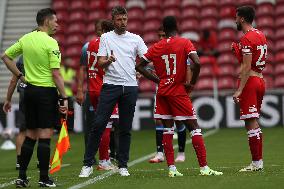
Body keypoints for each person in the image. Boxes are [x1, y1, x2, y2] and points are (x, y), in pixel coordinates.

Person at [136, 16, 223, 177]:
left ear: (164, 28)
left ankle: (172, 169)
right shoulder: (184, 42)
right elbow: (197, 63)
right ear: (177, 26)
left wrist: (158, 80)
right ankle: (204, 168)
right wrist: (193, 83)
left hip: (163, 92)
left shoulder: (156, 46)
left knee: (168, 129)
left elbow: (139, 66)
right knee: (194, 127)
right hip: (178, 91)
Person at [1, 8, 68, 187]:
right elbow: (56, 74)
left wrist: (21, 76)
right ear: (46, 21)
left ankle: (22, 177)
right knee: (45, 135)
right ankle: (44, 179)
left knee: (30, 134)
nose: (57, 24)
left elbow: (5, 57)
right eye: (55, 21)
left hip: (28, 91)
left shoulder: (26, 38)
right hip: (45, 92)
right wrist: (64, 97)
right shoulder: (51, 43)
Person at [78, 6, 147, 177]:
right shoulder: (106, 38)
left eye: (125, 19)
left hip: (130, 87)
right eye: (119, 19)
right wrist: (108, 60)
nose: (123, 22)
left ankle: (123, 165)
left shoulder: (136, 38)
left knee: (125, 127)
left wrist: (139, 70)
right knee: (98, 124)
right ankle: (87, 164)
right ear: (113, 20)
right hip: (110, 86)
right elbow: (100, 63)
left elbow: (147, 58)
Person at [76, 20, 117, 172]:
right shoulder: (108, 44)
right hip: (105, 88)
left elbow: (83, 67)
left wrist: (80, 89)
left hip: (92, 89)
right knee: (107, 126)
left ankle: (99, 159)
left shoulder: (88, 45)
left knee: (99, 125)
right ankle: (104, 160)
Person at [232, 6, 267, 172]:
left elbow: (246, 67)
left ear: (242, 19)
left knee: (250, 122)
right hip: (260, 79)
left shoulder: (246, 38)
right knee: (255, 122)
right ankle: (258, 162)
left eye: (236, 17)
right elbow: (253, 60)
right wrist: (238, 53)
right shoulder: (260, 34)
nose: (235, 20)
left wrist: (239, 90)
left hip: (251, 82)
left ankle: (256, 163)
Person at [149, 26, 187, 163]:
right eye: (158, 35)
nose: (160, 38)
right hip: (161, 90)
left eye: (163, 35)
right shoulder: (157, 49)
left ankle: (181, 152)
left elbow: (187, 66)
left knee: (179, 120)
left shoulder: (178, 48)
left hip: (176, 89)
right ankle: (160, 153)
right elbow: (149, 65)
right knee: (159, 119)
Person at [3, 56, 27, 170]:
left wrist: (8, 99)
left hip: (24, 94)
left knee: (22, 131)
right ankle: (42, 161)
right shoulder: (44, 52)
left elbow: (13, 80)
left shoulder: (22, 59)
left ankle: (20, 161)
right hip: (41, 92)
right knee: (42, 128)